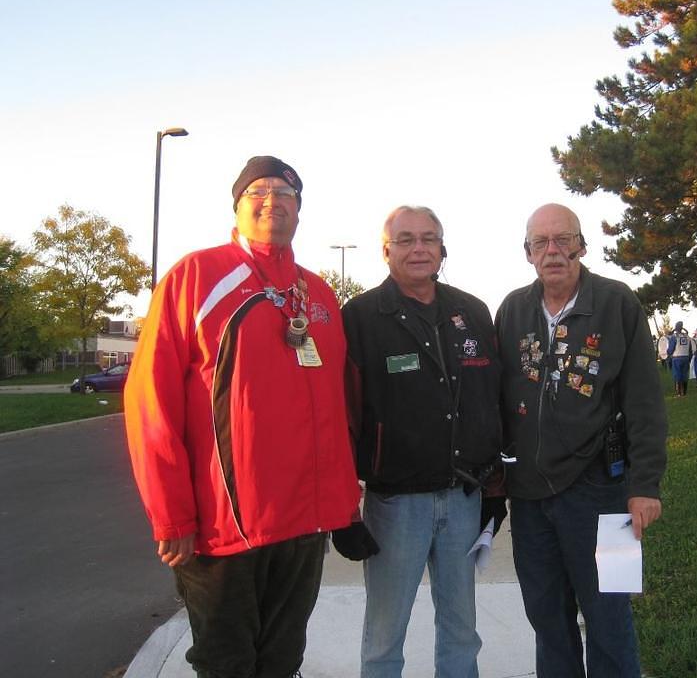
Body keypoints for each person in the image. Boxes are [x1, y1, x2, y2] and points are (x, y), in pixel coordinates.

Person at [124, 156, 369, 678]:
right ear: (236, 205)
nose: (272, 200)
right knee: (227, 664)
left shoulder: (318, 293)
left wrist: (344, 506)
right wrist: (172, 516)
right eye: (258, 190)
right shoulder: (197, 276)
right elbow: (150, 402)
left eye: (285, 192)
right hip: (224, 527)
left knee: (282, 660)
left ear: (299, 211)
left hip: (305, 524)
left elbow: (337, 408)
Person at [495, 203, 668, 678]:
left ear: (581, 245)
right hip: (530, 499)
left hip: (603, 493)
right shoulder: (512, 310)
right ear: (528, 252)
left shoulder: (617, 303)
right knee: (548, 620)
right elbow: (496, 398)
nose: (553, 251)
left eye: (563, 240)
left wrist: (645, 484)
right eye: (541, 243)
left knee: (609, 617)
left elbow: (645, 402)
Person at [341, 205, 504, 678]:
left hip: (463, 499)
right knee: (384, 633)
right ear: (386, 250)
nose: (419, 249)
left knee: (461, 631)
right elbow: (343, 415)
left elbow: (489, 401)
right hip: (396, 506)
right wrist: (344, 508)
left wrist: (495, 488)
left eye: (428, 239)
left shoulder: (471, 312)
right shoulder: (361, 318)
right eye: (407, 239)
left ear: (442, 248)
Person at [666, 320, 691, 396]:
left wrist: (668, 353)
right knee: (684, 375)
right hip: (686, 357)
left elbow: (670, 349)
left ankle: (679, 393)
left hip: (677, 358)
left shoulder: (674, 337)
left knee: (677, 375)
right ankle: (684, 392)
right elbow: (690, 348)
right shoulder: (687, 336)